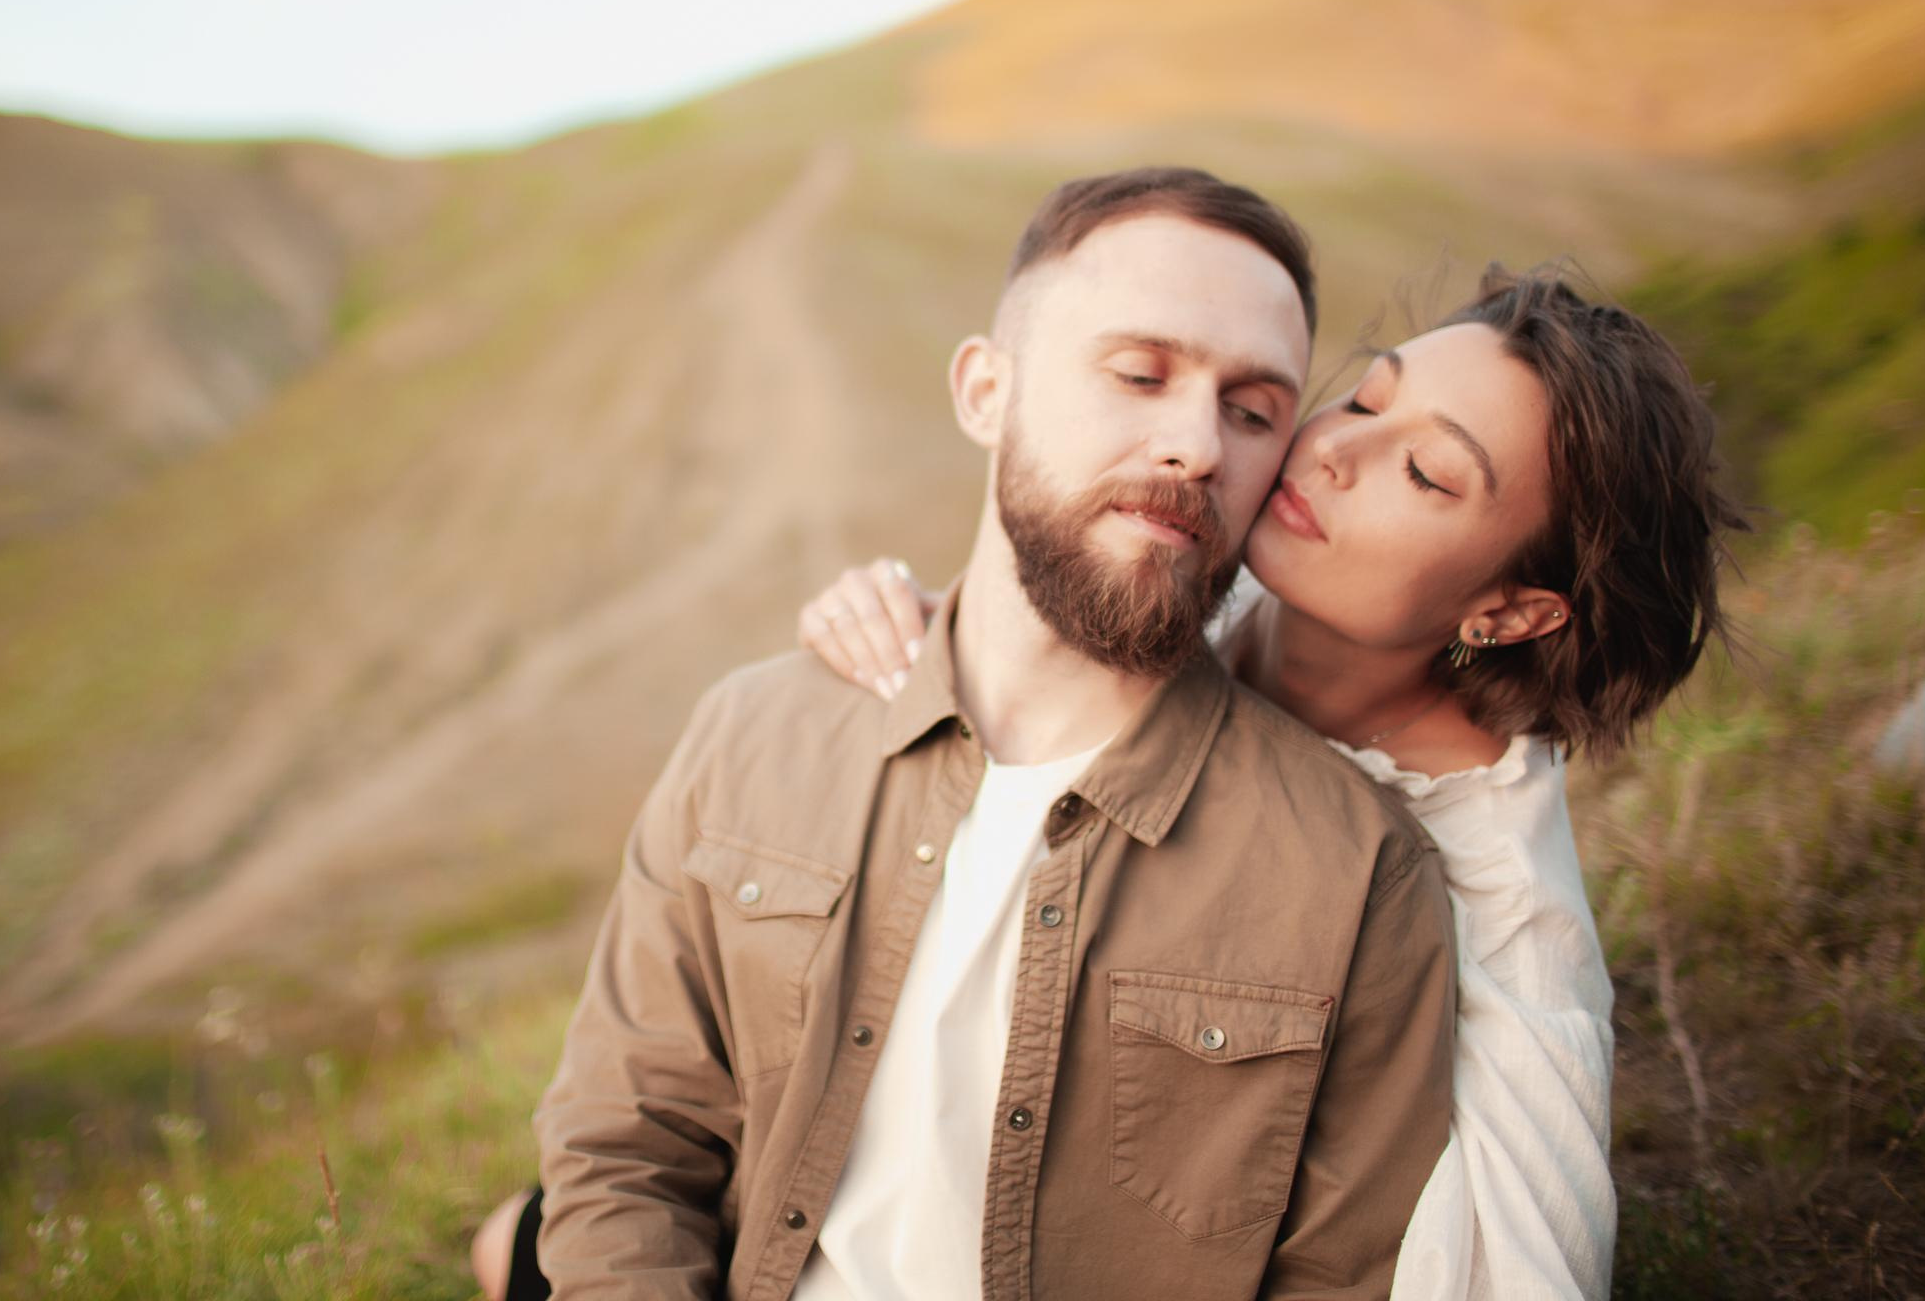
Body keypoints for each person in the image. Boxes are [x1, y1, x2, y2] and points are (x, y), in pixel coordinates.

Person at [489, 167, 1462, 1301]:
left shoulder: (1358, 872)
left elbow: (1342, 1280)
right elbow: (625, 1152)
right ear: (984, 392)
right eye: (1141, 373)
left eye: (1252, 411)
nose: (1196, 443)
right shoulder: (750, 736)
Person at [788, 266, 1745, 1299]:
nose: (1333, 448)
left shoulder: (1500, 915)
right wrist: (909, 615)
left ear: (1510, 613)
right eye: (1368, 396)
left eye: (1422, 471)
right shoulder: (1229, 565)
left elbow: (1530, 1268)